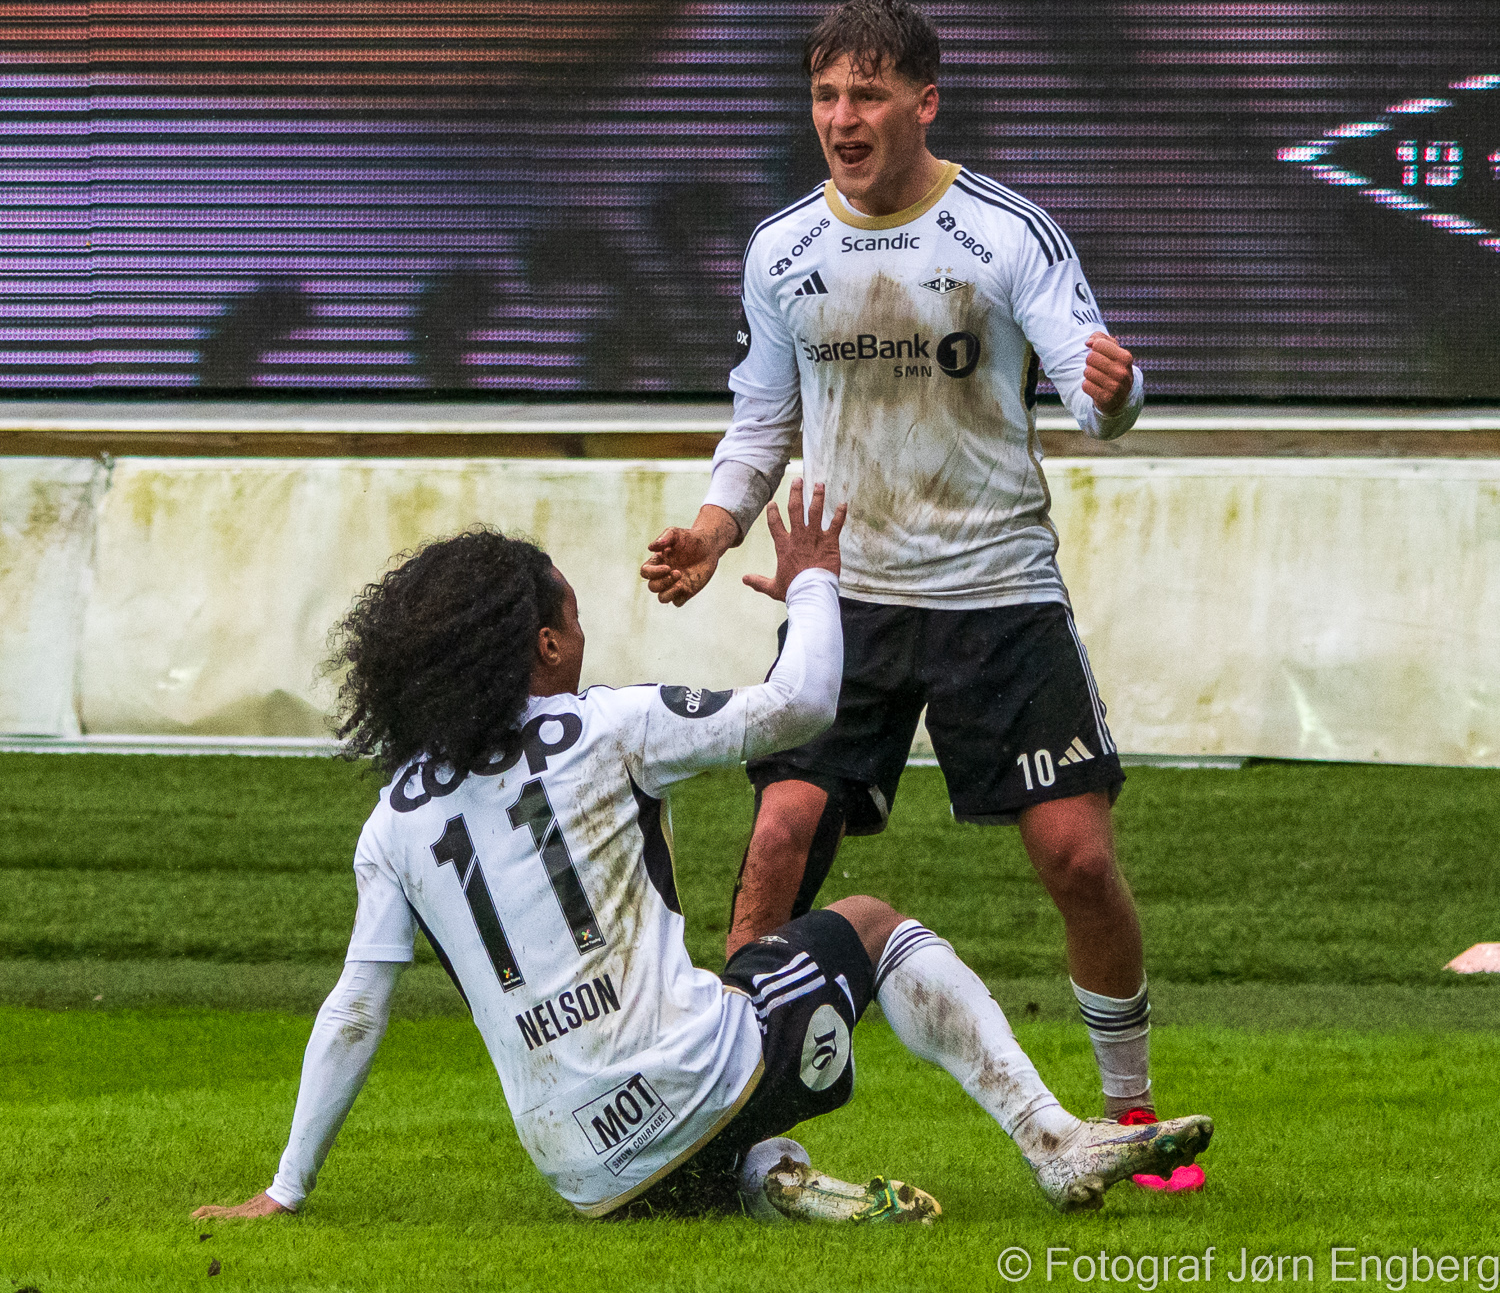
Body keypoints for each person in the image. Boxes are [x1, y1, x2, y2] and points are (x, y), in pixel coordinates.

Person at [193, 481, 1211, 1227]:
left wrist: (284, 1190)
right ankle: (1053, 1140)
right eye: (573, 617)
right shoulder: (607, 726)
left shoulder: (394, 818)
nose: (582, 634)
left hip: (581, 1171)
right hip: (694, 1087)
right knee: (870, 925)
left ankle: (774, 1183)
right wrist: (814, 587)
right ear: (544, 647)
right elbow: (802, 704)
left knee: (719, 1028)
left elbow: (357, 1008)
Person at [641, 0, 1204, 1193]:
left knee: (1079, 861)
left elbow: (1093, 388)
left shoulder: (1007, 234)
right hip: (846, 598)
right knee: (779, 840)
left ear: (924, 103)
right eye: (825, 95)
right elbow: (761, 423)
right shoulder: (783, 249)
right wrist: (712, 530)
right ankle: (723, 1122)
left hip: (998, 592)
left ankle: (1133, 1117)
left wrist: (1118, 393)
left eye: (868, 94)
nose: (842, 118)